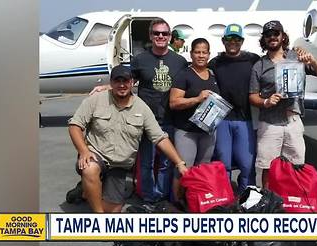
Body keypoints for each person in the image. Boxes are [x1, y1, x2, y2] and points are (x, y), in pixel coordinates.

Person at [90, 19, 188, 202]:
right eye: (156, 33)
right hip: (146, 121)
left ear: (170, 36)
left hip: (170, 119)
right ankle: (149, 197)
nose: (160, 36)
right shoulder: (140, 59)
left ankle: (163, 195)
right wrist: (106, 87)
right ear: (151, 36)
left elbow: (187, 85)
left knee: (167, 162)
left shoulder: (180, 62)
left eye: (164, 34)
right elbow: (126, 82)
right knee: (147, 163)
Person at [67, 65, 187, 213]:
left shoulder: (142, 108)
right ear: (111, 83)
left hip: (120, 164)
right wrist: (84, 151)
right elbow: (75, 126)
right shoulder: (96, 100)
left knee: (114, 210)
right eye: (118, 81)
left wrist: (179, 163)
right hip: (97, 154)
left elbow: (160, 138)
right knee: (90, 169)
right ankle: (99, 218)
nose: (122, 85)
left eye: (126, 81)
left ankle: (86, 191)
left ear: (132, 83)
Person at [249, 20, 317, 188]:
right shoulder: (259, 65)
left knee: (296, 164)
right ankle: (268, 199)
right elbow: (252, 96)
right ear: (264, 39)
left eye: (275, 34)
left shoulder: (296, 57)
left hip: (293, 120)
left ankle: (294, 199)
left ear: (282, 36)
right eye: (268, 35)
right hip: (270, 123)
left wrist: (312, 60)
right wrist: (266, 101)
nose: (272, 37)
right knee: (267, 166)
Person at [208, 23, 260, 194]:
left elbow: (274, 64)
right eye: (229, 38)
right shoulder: (215, 62)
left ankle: (247, 197)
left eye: (237, 39)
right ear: (223, 40)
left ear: (242, 41)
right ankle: (225, 197)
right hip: (222, 119)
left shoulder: (253, 60)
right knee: (224, 163)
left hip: (245, 119)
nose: (233, 42)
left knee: (247, 164)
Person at [169, 38, 219, 201]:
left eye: (204, 52)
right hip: (187, 131)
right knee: (184, 169)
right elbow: (174, 103)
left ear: (209, 54)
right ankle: (177, 201)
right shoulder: (184, 75)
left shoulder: (212, 74)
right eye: (197, 52)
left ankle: (196, 200)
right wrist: (197, 99)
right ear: (191, 54)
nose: (201, 55)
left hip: (207, 131)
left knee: (203, 168)